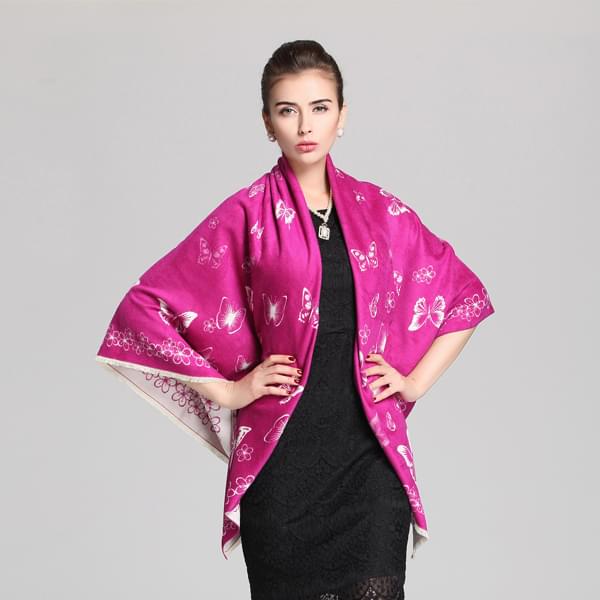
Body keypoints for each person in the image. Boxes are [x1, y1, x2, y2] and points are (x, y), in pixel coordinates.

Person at [96, 39, 495, 600]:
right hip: (282, 465)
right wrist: (230, 390)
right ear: (268, 123)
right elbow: (143, 307)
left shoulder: (381, 211)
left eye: (320, 108)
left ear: (342, 116)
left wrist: (413, 383)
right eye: (288, 110)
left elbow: (464, 294)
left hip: (369, 462)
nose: (305, 126)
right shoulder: (246, 213)